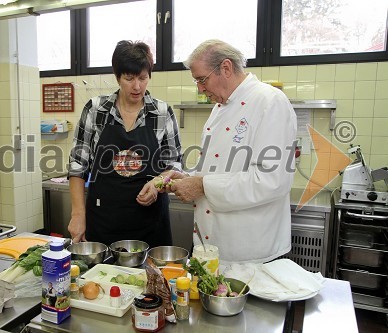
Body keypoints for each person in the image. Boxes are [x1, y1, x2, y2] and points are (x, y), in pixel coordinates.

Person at [168, 39, 297, 264]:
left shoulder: (270, 102)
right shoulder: (221, 106)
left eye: (201, 79)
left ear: (226, 68)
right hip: (213, 244)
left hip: (251, 251)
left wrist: (201, 185)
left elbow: (271, 180)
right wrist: (189, 178)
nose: (199, 88)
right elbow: (219, 166)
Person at [67, 40, 182, 248]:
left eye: (142, 78)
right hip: (104, 220)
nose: (137, 86)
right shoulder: (96, 110)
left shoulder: (162, 113)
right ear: (117, 76)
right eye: (129, 78)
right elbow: (77, 165)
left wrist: (157, 184)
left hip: (151, 222)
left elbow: (174, 164)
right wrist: (77, 214)